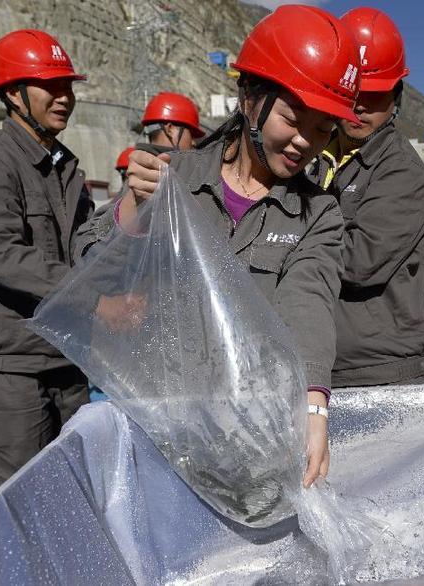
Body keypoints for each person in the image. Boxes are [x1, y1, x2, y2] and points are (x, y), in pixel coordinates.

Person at [75, 5, 361, 487]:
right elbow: (89, 269)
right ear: (250, 97)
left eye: (321, 130)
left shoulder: (320, 213)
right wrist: (135, 213)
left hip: (249, 438)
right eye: (293, 119)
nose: (303, 143)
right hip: (156, 431)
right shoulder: (172, 177)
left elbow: (307, 301)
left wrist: (314, 404)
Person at [305, 7, 424, 388]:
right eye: (353, 91)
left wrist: (284, 241)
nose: (360, 105)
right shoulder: (313, 155)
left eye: (375, 96)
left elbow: (359, 261)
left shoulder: (401, 171)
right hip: (322, 362)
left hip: (378, 371)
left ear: (397, 97)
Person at [0, 29, 93, 488]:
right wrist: (90, 295)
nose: (64, 97)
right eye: (50, 86)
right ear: (14, 95)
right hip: (16, 371)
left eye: (68, 86)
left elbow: (90, 247)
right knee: (18, 497)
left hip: (68, 359)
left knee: (73, 491)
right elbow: (2, 254)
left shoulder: (66, 167)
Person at [138, 91, 204, 154]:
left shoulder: (137, 162)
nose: (193, 143)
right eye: (191, 135)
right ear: (170, 130)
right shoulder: (173, 164)